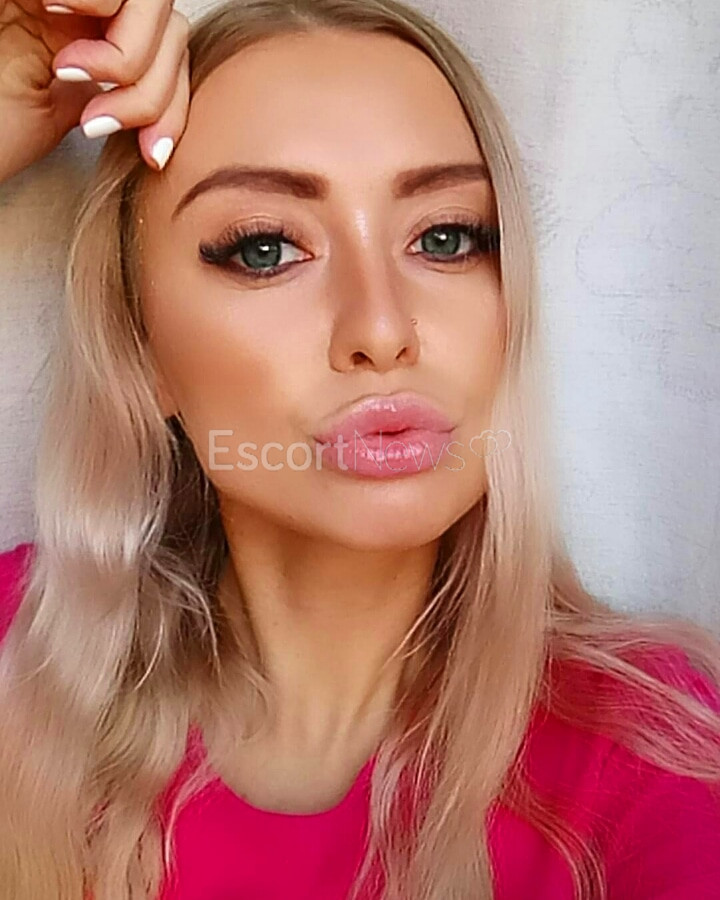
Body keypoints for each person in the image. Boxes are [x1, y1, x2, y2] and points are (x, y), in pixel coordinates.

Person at [0, 1, 719, 898]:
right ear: (140, 348)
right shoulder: (18, 661)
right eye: (266, 249)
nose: (381, 329)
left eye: (446, 238)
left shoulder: (648, 748)